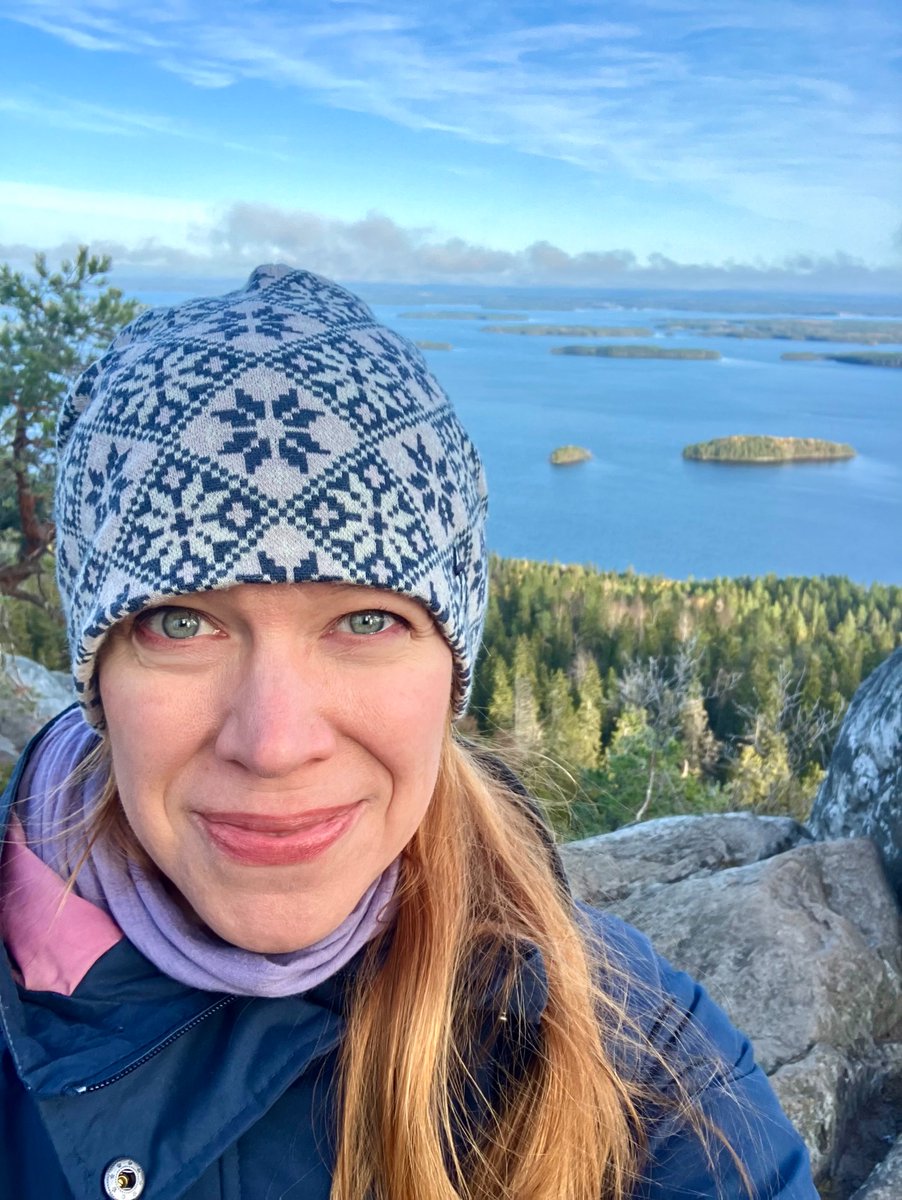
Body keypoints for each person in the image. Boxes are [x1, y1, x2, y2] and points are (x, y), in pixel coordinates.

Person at [0, 265, 817, 1200]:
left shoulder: (644, 1067)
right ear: (97, 671)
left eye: (366, 622)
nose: (273, 742)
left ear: (451, 670)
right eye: (182, 624)